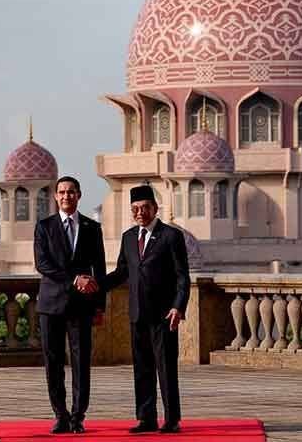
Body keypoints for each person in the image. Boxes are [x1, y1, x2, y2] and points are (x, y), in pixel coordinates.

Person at [103, 184, 190, 434]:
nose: (140, 213)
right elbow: (122, 272)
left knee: (166, 368)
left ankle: (172, 419)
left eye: (144, 208)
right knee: (142, 369)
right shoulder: (129, 237)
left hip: (164, 315)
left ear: (154, 208)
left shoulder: (171, 236)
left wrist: (178, 307)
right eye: (135, 209)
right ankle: (146, 418)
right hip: (137, 313)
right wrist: (98, 285)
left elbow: (183, 277)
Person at [34, 176, 106, 434]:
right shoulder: (44, 227)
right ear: (56, 196)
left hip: (82, 306)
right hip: (51, 305)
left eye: (71, 192)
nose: (67, 196)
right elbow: (43, 265)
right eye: (62, 192)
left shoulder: (91, 227)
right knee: (53, 362)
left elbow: (99, 268)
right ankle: (60, 415)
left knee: (81, 362)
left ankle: (78, 416)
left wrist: (100, 306)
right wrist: (75, 279)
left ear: (79, 195)